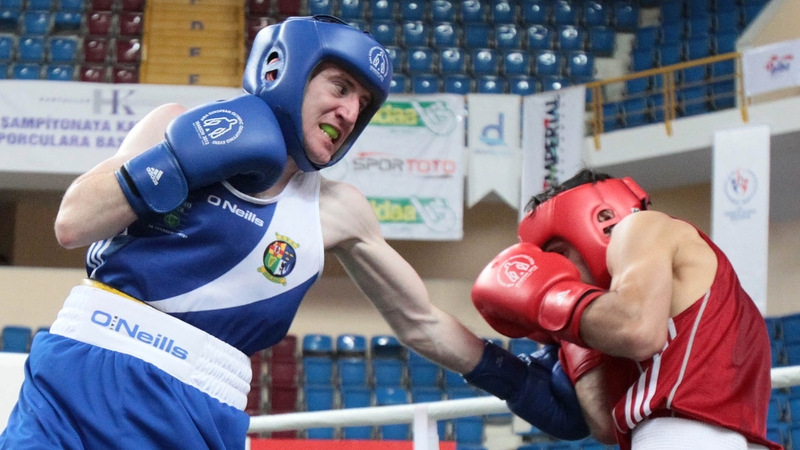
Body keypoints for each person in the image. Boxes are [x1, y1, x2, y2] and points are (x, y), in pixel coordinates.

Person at [0, 16, 587, 450]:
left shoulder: (339, 211)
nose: (350, 112)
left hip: (199, 404)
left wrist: (524, 386)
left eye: (363, 102)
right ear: (284, 71)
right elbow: (73, 223)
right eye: (339, 86)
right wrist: (182, 160)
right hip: (83, 368)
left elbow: (422, 321)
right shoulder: (174, 125)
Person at [472, 169, 782, 450]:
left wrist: (551, 299)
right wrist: (578, 345)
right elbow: (606, 428)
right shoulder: (662, 302)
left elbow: (637, 330)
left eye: (559, 253)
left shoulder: (641, 226)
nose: (560, 271)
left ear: (603, 218)